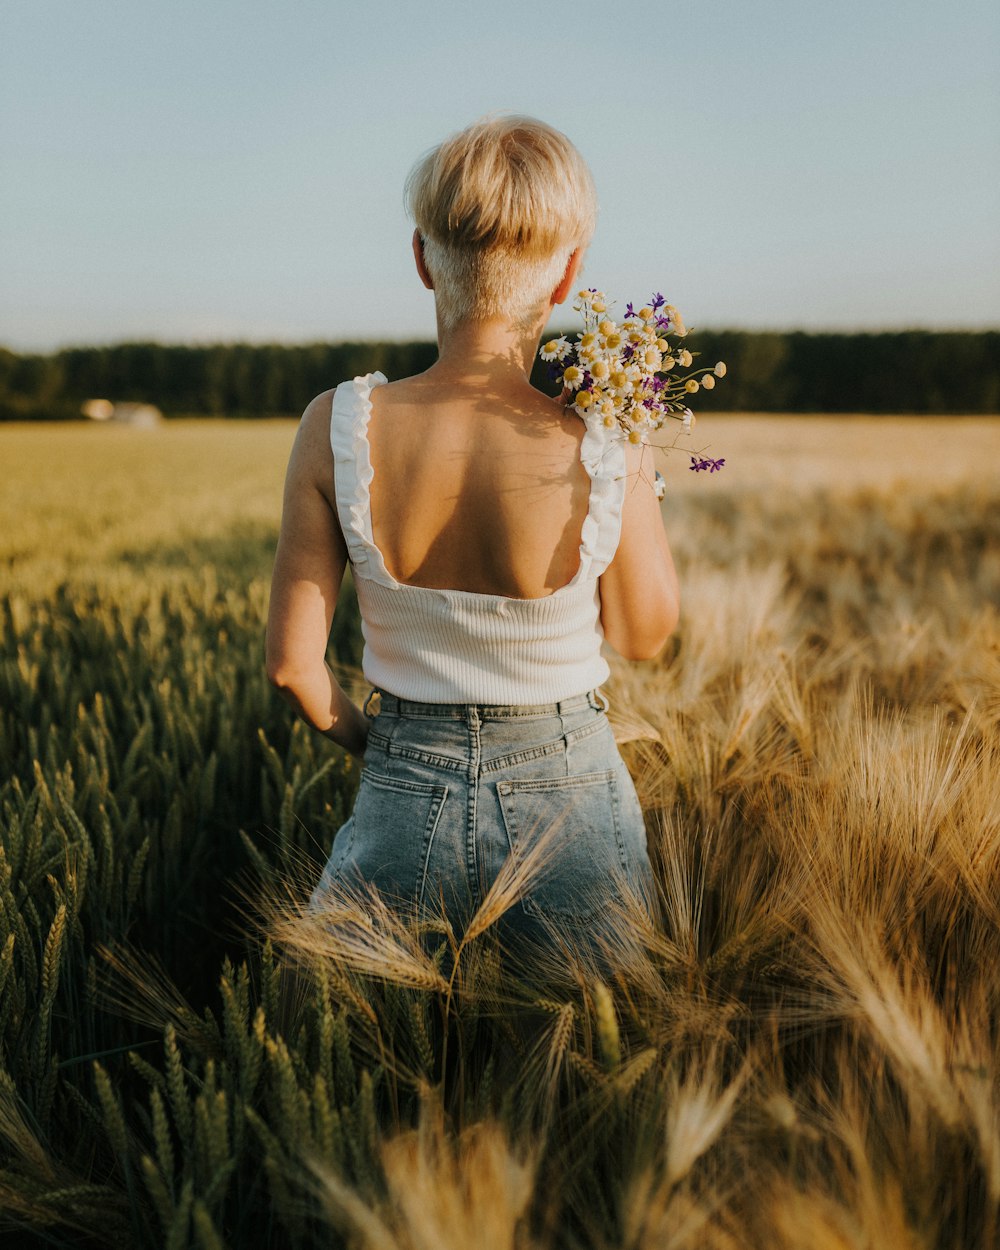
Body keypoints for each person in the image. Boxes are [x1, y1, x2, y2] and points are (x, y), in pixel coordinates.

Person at [265, 115, 679, 961]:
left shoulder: (334, 425)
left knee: (354, 1062)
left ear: (421, 258)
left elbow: (291, 666)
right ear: (568, 277)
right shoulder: (605, 436)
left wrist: (381, 744)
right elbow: (645, 635)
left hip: (401, 782)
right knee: (596, 1065)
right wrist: (629, 445)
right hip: (573, 799)